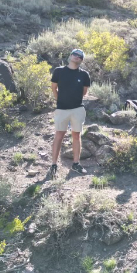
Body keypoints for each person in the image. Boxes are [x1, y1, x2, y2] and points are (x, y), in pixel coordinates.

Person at [48, 48, 91, 178]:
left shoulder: (84, 75)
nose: (76, 57)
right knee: (59, 135)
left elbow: (84, 92)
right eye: (74, 54)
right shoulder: (59, 71)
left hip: (77, 109)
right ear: (70, 56)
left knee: (76, 136)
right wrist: (59, 100)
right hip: (61, 109)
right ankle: (54, 165)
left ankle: (76, 163)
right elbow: (54, 88)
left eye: (79, 56)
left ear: (81, 60)